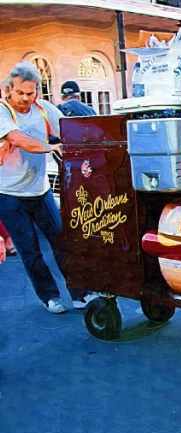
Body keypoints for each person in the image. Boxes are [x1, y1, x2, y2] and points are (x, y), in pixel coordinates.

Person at [0, 61, 99, 313]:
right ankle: (49, 296)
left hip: (40, 190)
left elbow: (70, 129)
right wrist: (50, 147)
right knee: (30, 250)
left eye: (30, 93)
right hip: (9, 195)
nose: (24, 98)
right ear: (8, 90)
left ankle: (80, 292)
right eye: (20, 92)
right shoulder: (2, 112)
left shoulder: (43, 109)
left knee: (62, 241)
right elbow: (18, 140)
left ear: (37, 92)